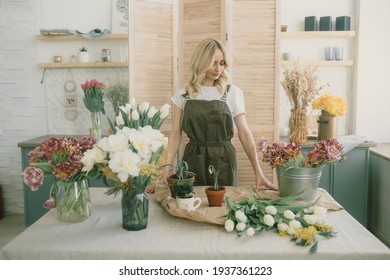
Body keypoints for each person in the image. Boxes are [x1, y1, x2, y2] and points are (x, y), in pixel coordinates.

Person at [161, 38, 277, 191]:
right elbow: (176, 135)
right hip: (193, 159)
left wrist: (258, 171)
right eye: (213, 63)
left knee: (223, 206)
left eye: (222, 63)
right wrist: (165, 171)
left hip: (223, 160)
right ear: (200, 62)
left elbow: (244, 132)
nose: (218, 69)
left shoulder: (232, 93)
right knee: (191, 203)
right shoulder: (183, 95)